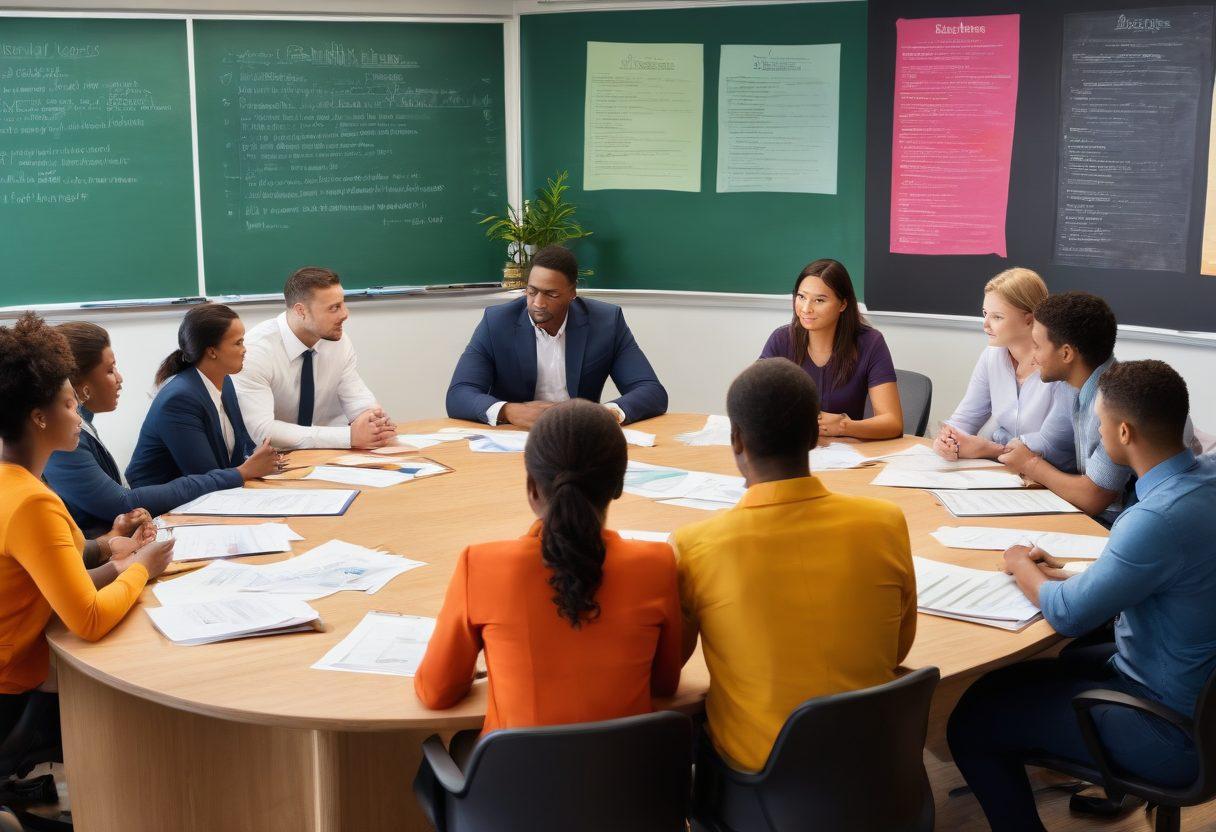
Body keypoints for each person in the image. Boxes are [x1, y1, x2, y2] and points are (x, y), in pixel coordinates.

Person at [948, 360, 1214, 832]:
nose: (1097, 430)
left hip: (1175, 733)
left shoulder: (1155, 518)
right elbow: (1165, 574)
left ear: (1125, 433)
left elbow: (1067, 614)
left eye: (1101, 422)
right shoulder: (1205, 480)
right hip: (1198, 694)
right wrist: (1063, 571)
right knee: (1042, 672)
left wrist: (1020, 563)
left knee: (971, 720)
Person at [673, 359, 916, 774]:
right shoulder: (885, 521)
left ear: (736, 441)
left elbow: (672, 667)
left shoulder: (696, 545)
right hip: (874, 773)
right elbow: (897, 649)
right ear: (813, 437)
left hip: (761, 784)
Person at [415, 399, 681, 741]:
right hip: (629, 787)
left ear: (531, 488)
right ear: (618, 486)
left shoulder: (481, 566)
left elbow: (436, 693)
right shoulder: (657, 565)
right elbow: (664, 684)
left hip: (513, 788)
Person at [0, 314, 173, 777]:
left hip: (19, 656)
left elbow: (64, 559)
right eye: (69, 404)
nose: (79, 415)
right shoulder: (32, 500)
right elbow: (89, 620)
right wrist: (142, 567)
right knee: (149, 673)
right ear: (39, 417)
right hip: (13, 684)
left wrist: (111, 543)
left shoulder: (14, 480)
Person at [43, 322, 263, 538]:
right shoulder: (63, 441)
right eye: (110, 370)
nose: (119, 379)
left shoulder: (83, 425)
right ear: (81, 387)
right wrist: (236, 475)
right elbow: (121, 503)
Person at [997, 292, 1193, 525]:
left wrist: (1030, 464)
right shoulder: (1070, 386)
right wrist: (991, 448)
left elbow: (1094, 497)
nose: (1032, 358)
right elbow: (1050, 444)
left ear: (1067, 353)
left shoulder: (1114, 405)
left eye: (1037, 346)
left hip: (1131, 524)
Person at [445, 245, 668, 428]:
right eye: (532, 291)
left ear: (573, 293)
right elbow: (459, 395)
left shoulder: (606, 323)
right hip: (516, 436)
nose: (538, 303)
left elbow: (651, 392)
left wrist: (601, 415)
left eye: (551, 294)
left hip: (579, 438)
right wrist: (510, 411)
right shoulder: (497, 323)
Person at [234, 267, 397, 450]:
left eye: (343, 304)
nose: (345, 314)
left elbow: (356, 398)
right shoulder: (254, 351)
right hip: (270, 460)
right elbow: (263, 430)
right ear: (301, 311)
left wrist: (374, 422)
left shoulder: (338, 341)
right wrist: (348, 437)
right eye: (334, 308)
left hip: (326, 455)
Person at [126, 304, 282, 488]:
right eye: (237, 343)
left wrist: (258, 460)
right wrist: (250, 468)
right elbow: (203, 475)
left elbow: (237, 454)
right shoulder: (179, 399)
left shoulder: (226, 382)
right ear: (211, 351)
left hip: (211, 495)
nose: (244, 349)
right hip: (162, 506)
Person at [933, 268, 1074, 468]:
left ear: (1029, 319)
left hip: (1052, 479)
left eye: (997, 317)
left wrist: (989, 448)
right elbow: (964, 419)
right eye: (985, 314)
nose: (985, 325)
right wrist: (948, 439)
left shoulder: (1059, 366)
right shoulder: (992, 356)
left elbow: (1052, 448)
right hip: (1007, 472)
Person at [759, 259, 902, 439]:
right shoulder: (781, 340)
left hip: (846, 455)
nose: (806, 308)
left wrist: (845, 426)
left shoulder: (870, 343)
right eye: (802, 297)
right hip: (792, 450)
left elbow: (892, 422)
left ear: (843, 304)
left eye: (819, 300)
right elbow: (752, 397)